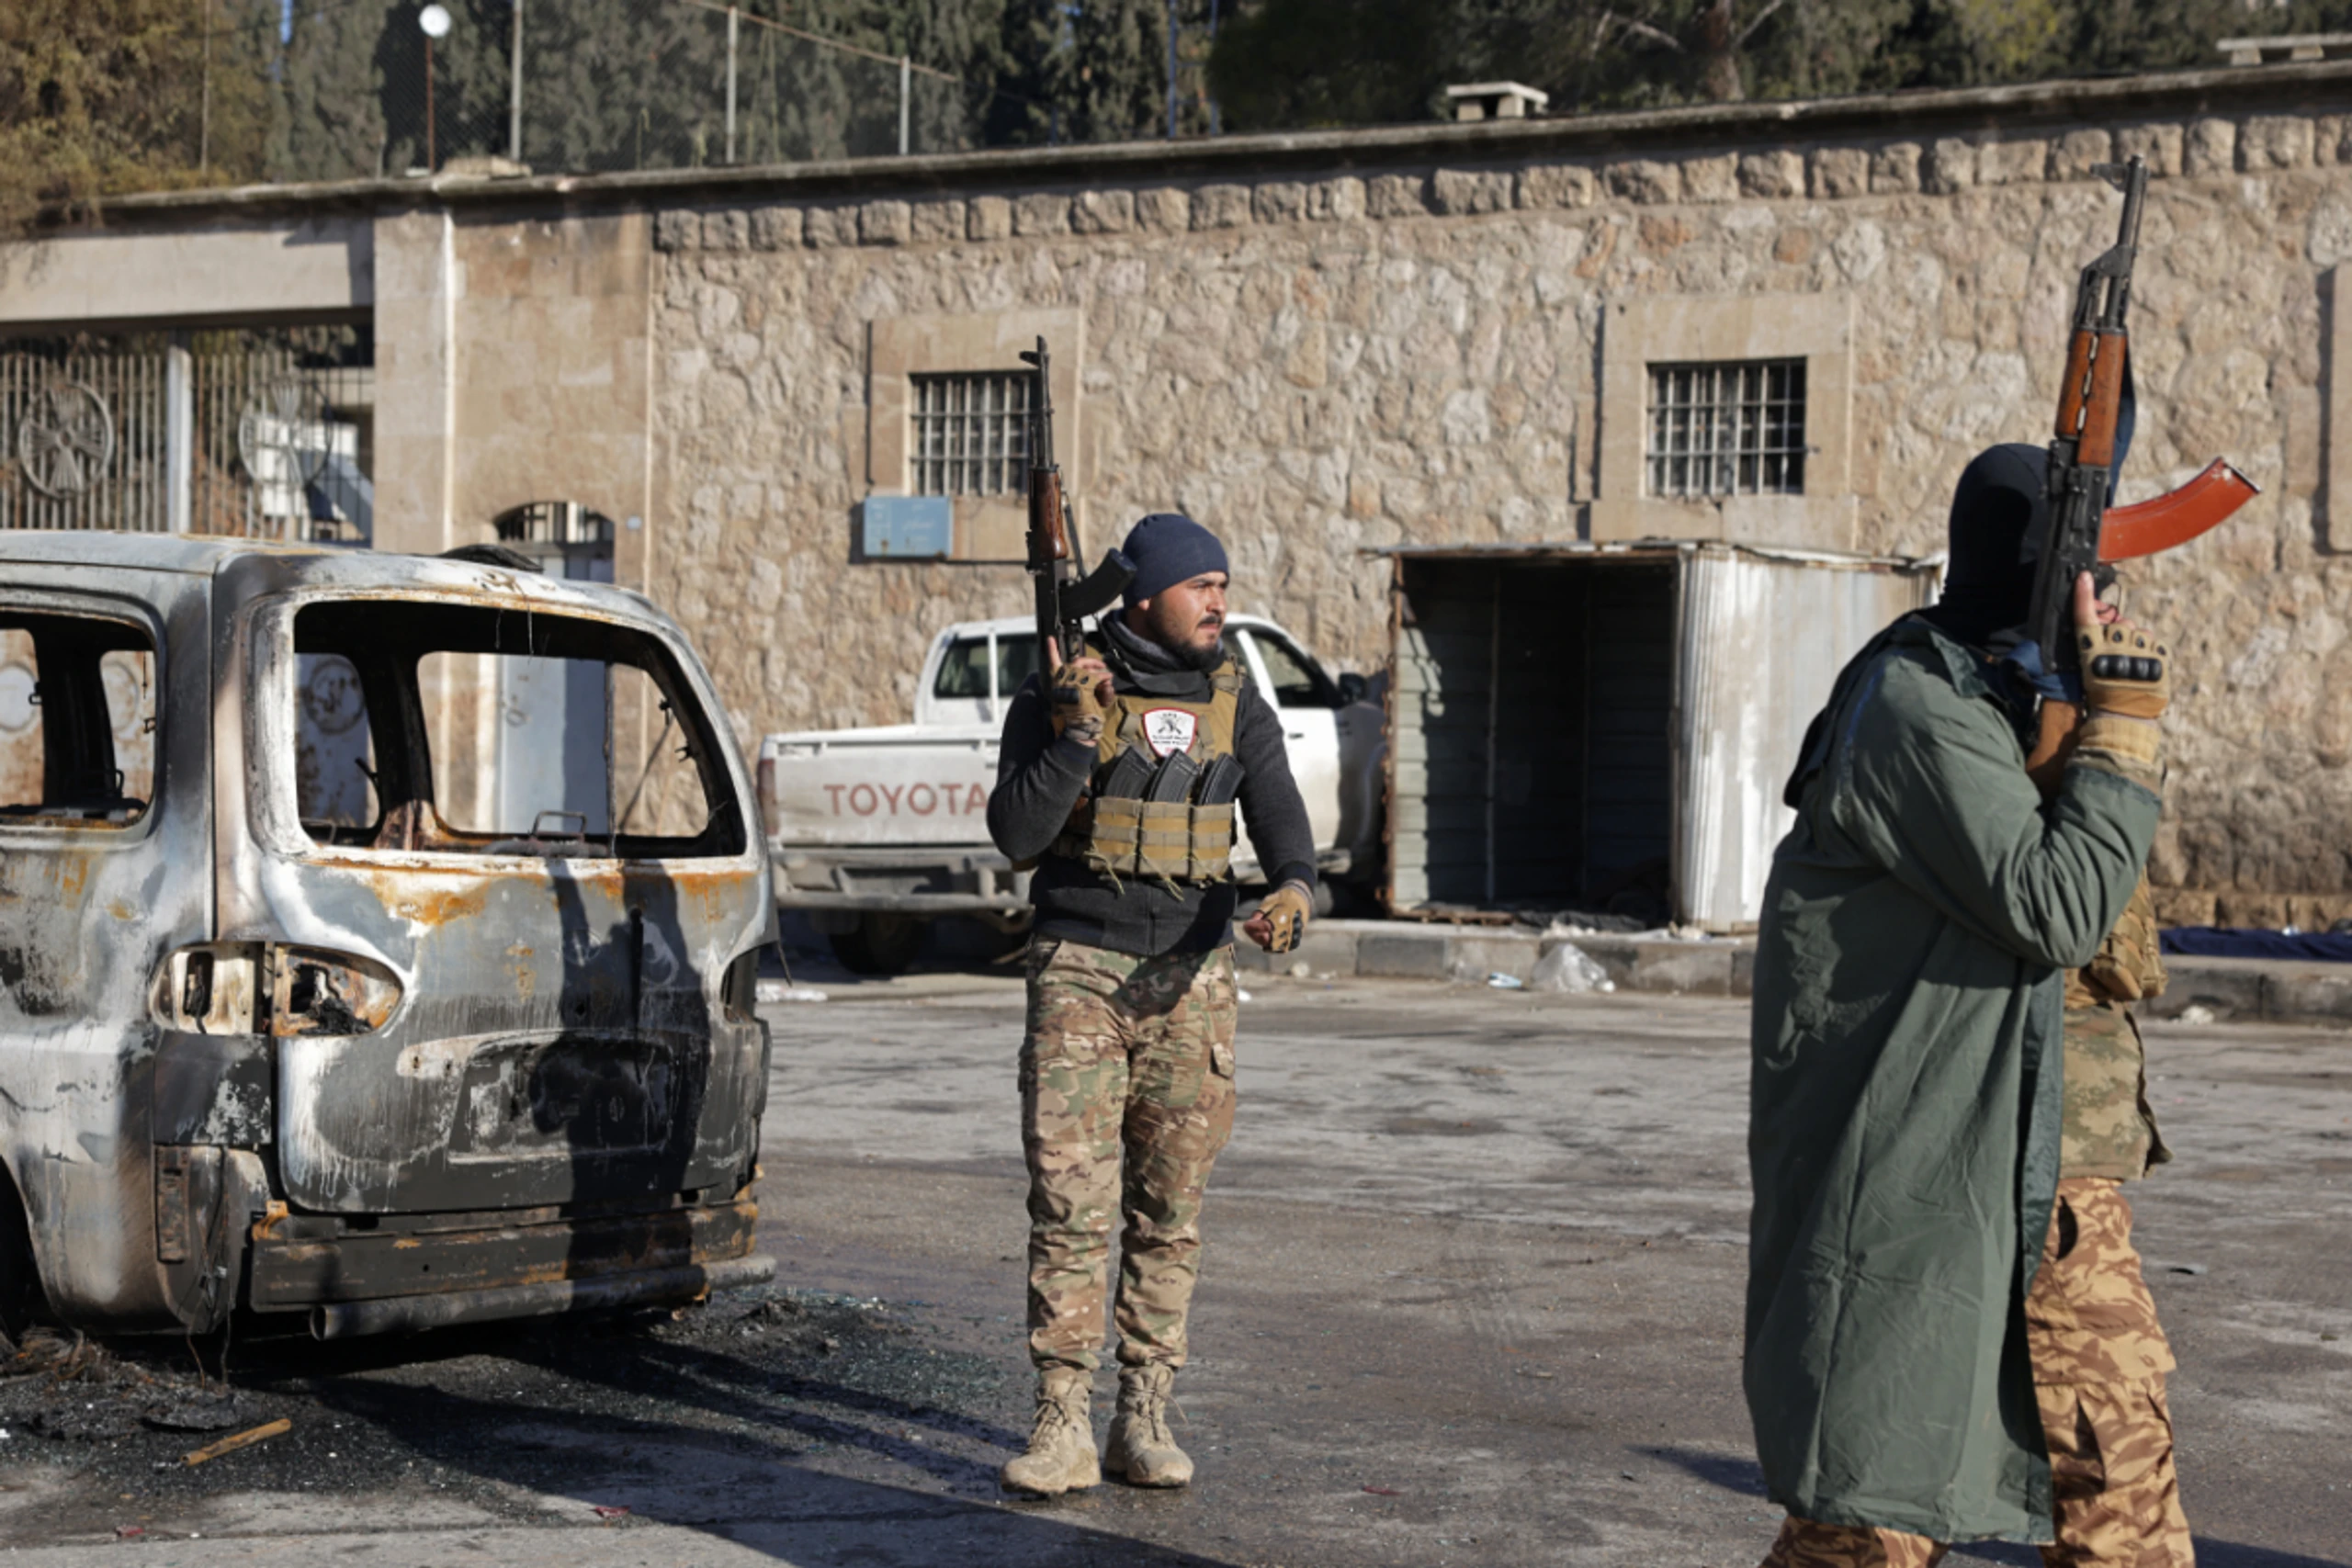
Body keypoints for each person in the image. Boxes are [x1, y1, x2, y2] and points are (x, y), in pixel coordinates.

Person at [1746, 443, 2187, 1565]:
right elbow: (2054, 907)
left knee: (2115, 1483)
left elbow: (2112, 939)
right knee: (1877, 1504)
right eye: (2083, 572)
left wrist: (2084, 719)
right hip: (1936, 1159)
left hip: (2055, 1161)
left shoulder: (2018, 691)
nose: (2105, 599)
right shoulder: (1915, 703)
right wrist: (2122, 733)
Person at [985, 511, 1317, 1497]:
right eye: (1200, 585)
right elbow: (1016, 835)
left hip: (1194, 980)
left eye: (1224, 582)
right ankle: (1061, 1421)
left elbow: (1282, 819)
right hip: (1082, 970)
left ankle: (1144, 1413)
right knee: (1070, 1207)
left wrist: (1293, 892)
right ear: (1142, 596)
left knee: (1169, 1212)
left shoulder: (1231, 694)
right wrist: (1078, 733)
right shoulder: (1062, 693)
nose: (1220, 601)